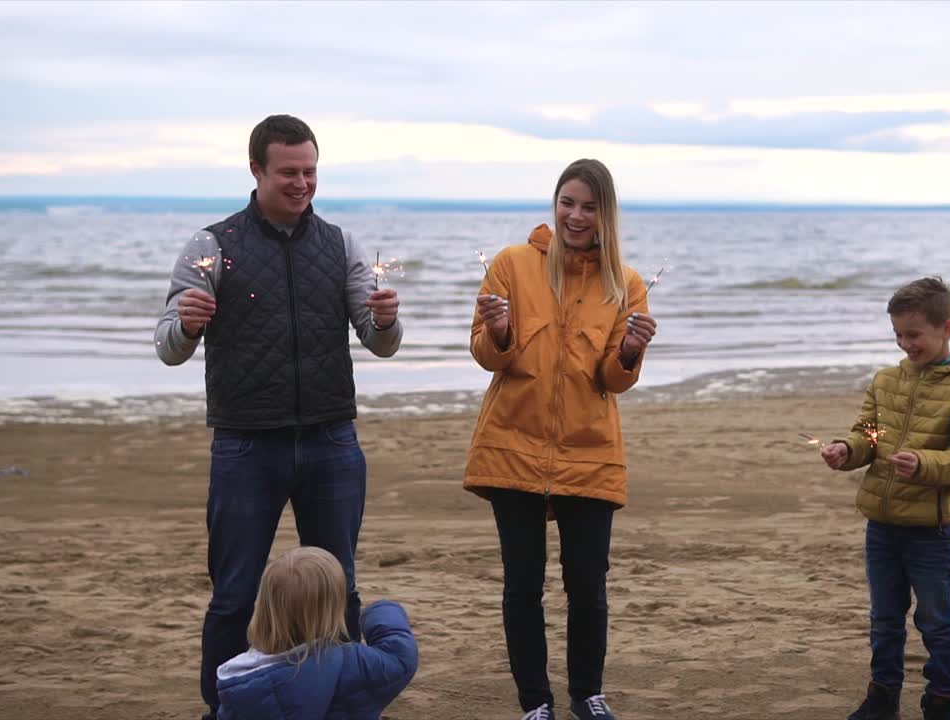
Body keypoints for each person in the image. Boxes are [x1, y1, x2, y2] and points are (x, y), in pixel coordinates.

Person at [154, 114, 403, 719]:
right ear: (256, 170)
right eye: (289, 171)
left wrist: (387, 319)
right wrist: (186, 323)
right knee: (235, 594)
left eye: (310, 171)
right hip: (245, 444)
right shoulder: (212, 245)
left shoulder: (340, 244)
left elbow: (379, 343)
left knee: (338, 586)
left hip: (330, 438)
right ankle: (222, 708)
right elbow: (167, 347)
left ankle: (343, 704)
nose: (302, 183)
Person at [464, 159, 657, 720]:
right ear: (555, 204)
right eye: (567, 203)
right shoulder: (511, 265)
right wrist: (499, 331)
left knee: (588, 586)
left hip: (590, 453)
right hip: (512, 446)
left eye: (589, 207)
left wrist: (631, 350)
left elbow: (613, 380)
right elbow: (484, 355)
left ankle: (586, 694)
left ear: (606, 214)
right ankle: (535, 703)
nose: (576, 215)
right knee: (523, 585)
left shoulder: (626, 284)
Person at [820, 277, 950, 720]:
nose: (904, 344)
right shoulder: (886, 380)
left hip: (931, 531)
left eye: (913, 334)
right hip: (881, 525)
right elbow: (869, 435)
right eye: (898, 334)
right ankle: (882, 699)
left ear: (946, 328)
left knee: (935, 621)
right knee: (884, 618)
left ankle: (940, 701)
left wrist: (923, 464)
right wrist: (846, 451)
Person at [215, 546, 418, 720]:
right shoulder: (351, 663)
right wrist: (381, 610)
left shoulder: (239, 679)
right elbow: (401, 657)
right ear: (334, 610)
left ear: (265, 609)